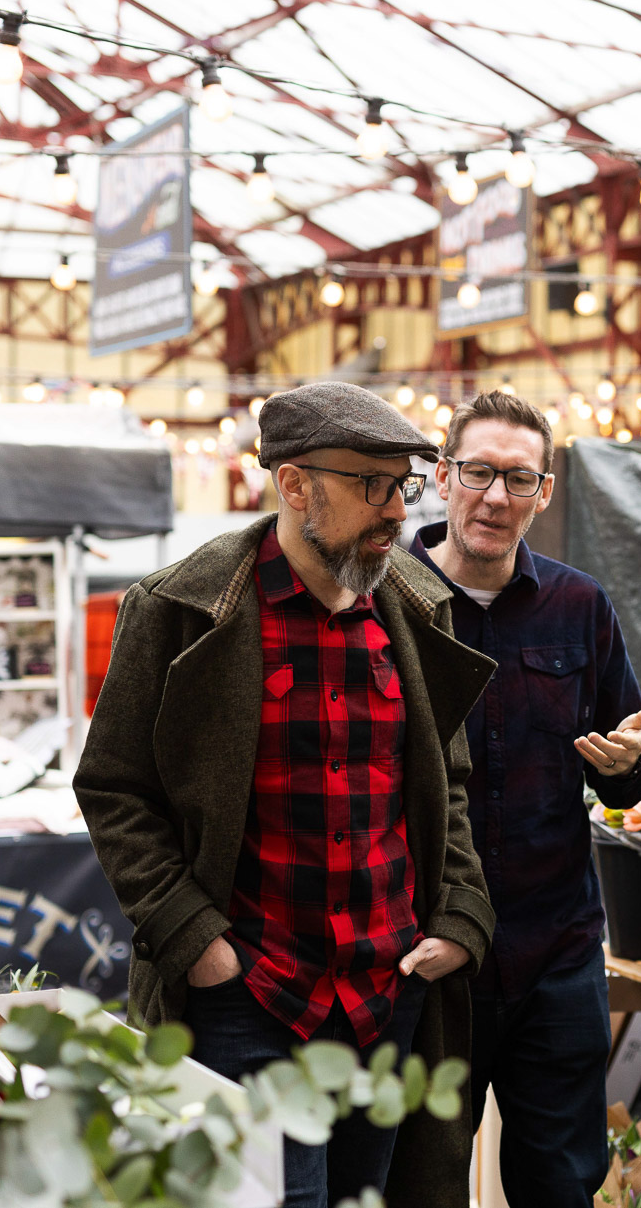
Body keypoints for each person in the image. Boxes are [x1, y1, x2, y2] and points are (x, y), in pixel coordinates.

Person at [74, 382, 497, 1208]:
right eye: (371, 483)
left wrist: (459, 918)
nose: (396, 509)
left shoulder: (415, 611)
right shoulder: (183, 611)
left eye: (404, 484)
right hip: (251, 998)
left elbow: (448, 786)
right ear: (294, 484)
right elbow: (114, 788)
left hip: (388, 992)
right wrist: (197, 940)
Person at [411, 390, 641, 1208]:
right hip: (428, 952)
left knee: (561, 1181)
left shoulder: (578, 607)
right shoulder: (388, 605)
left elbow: (633, 771)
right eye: (478, 472)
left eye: (519, 478)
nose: (495, 497)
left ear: (544, 492)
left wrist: (626, 765)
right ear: (442, 478)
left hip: (555, 952)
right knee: (421, 1181)